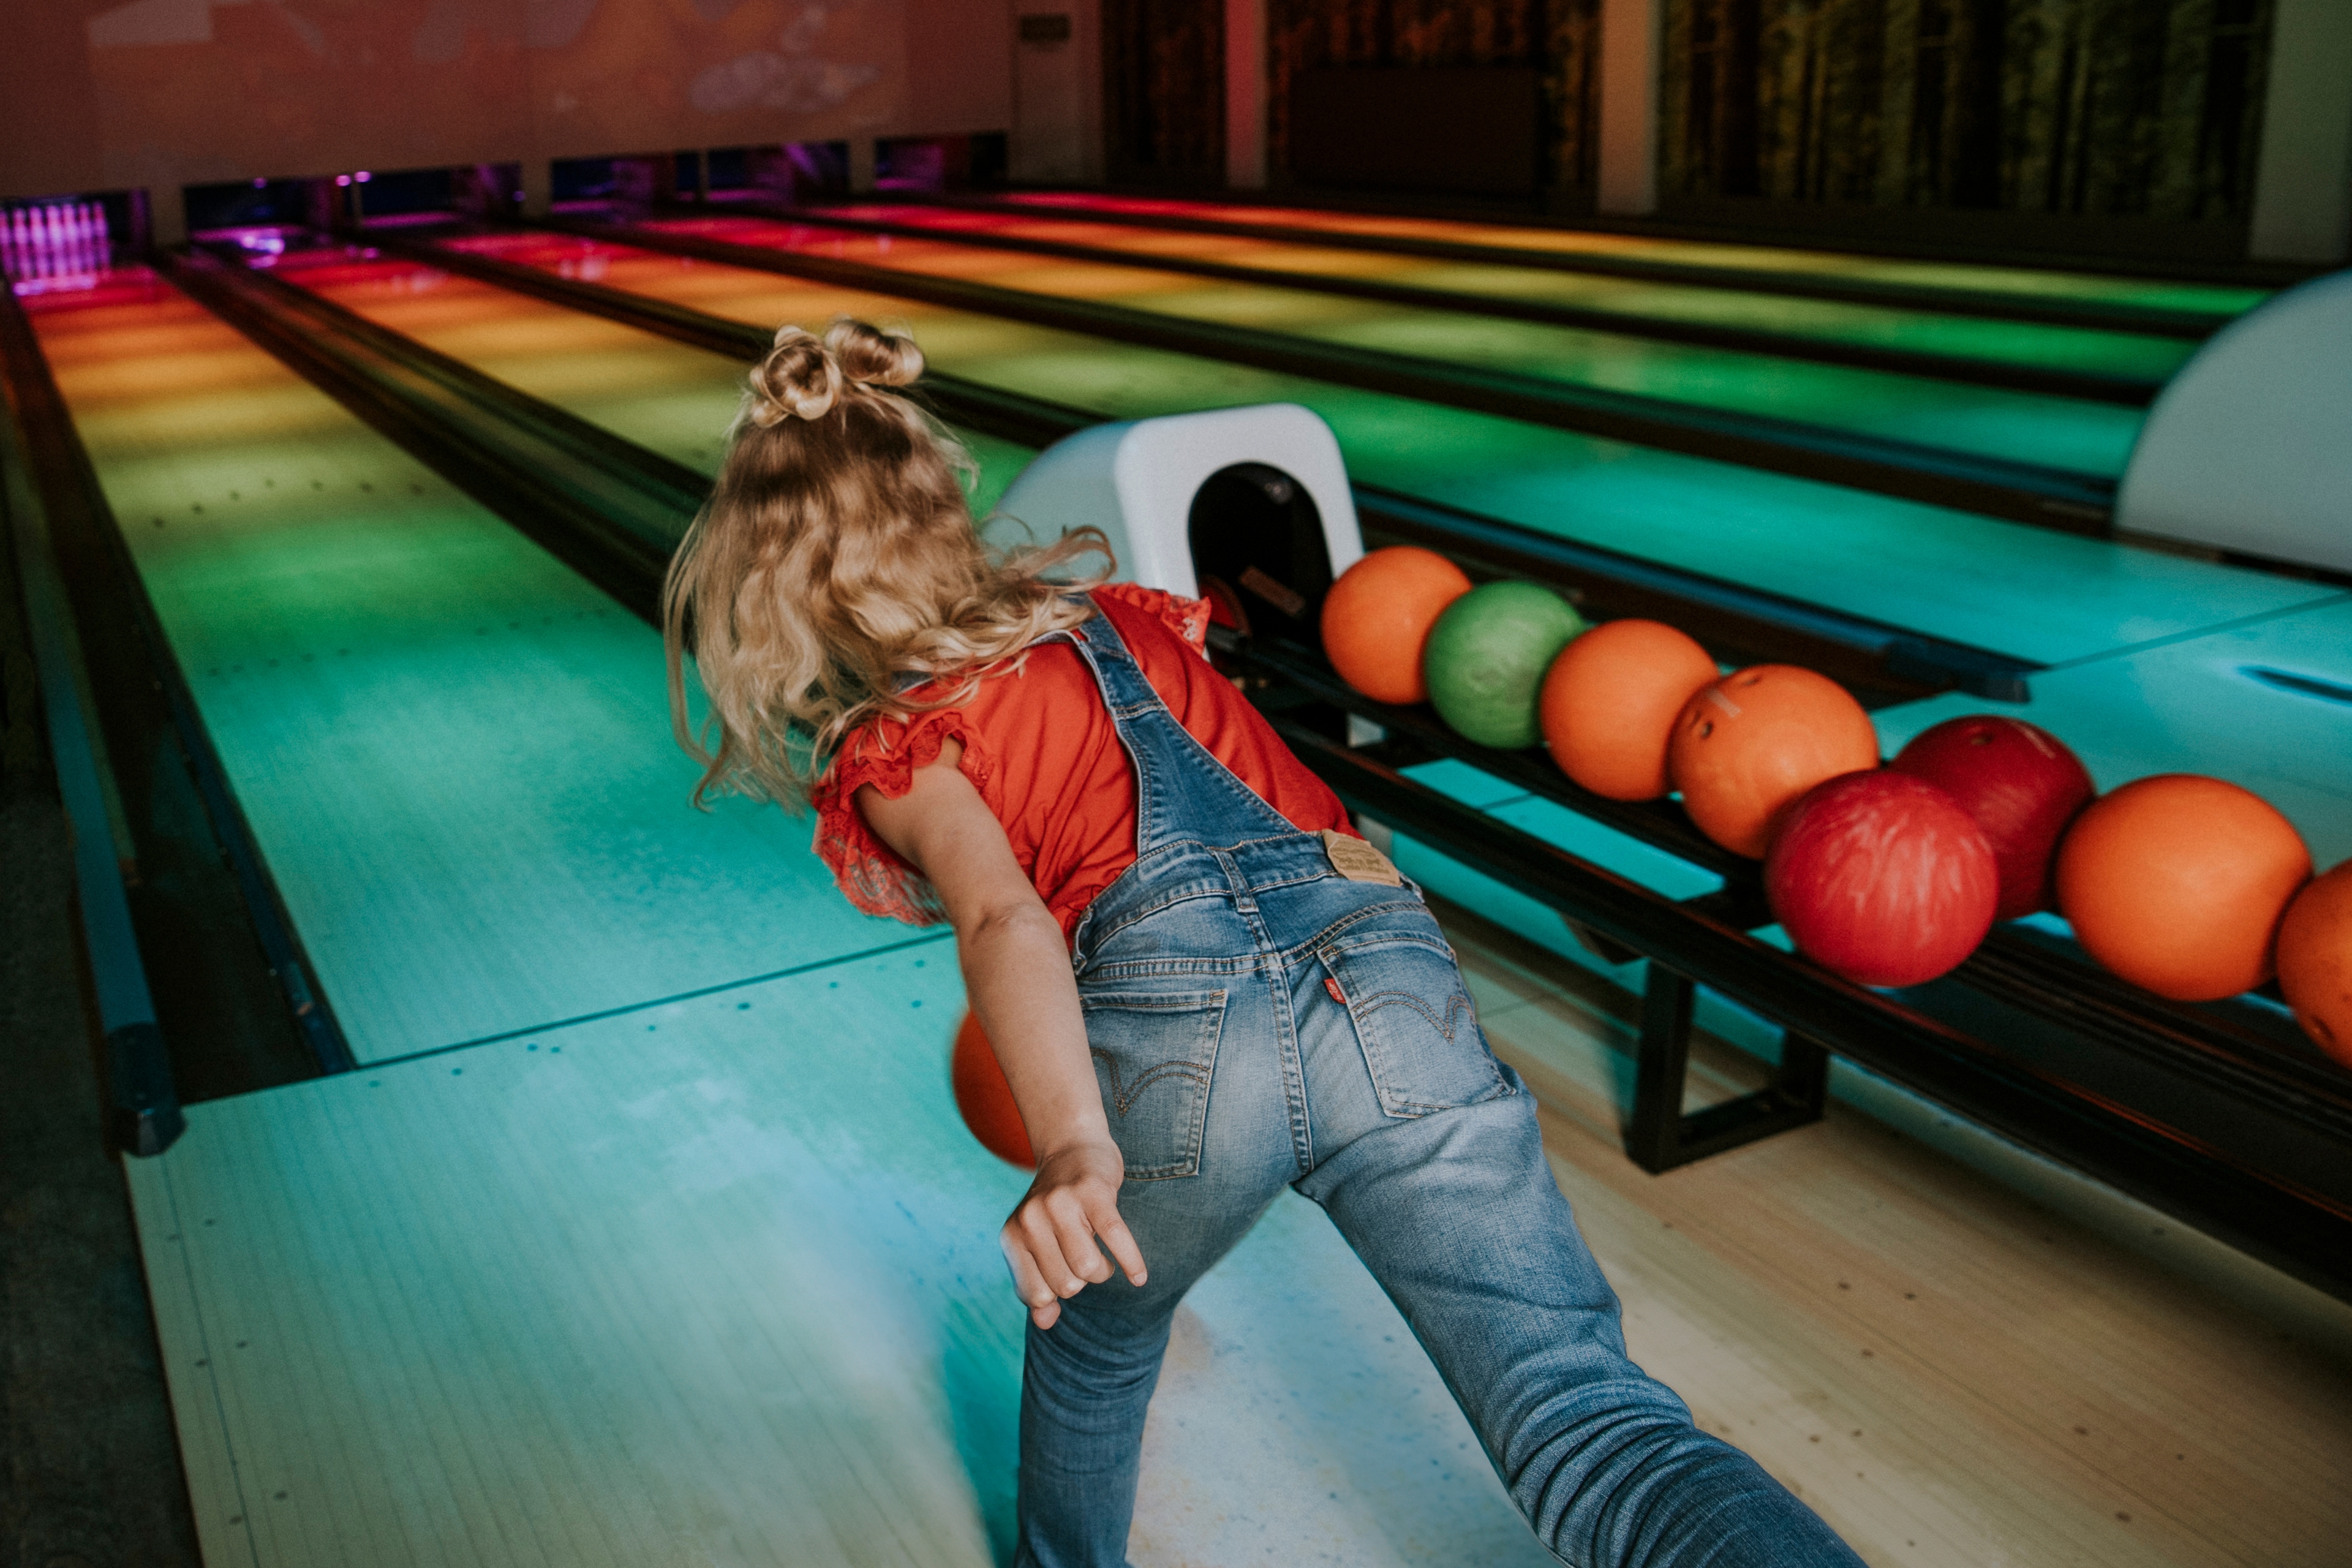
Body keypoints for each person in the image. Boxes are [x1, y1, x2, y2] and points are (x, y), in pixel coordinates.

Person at [666, 319, 1865, 1568]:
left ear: (780, 595)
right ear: (943, 511)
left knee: (1093, 1336)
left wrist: (1077, 1142)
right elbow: (1301, 812)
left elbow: (1004, 912)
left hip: (1181, 1030)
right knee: (1589, 1417)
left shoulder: (898, 744)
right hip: (1385, 957)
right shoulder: (1117, 622)